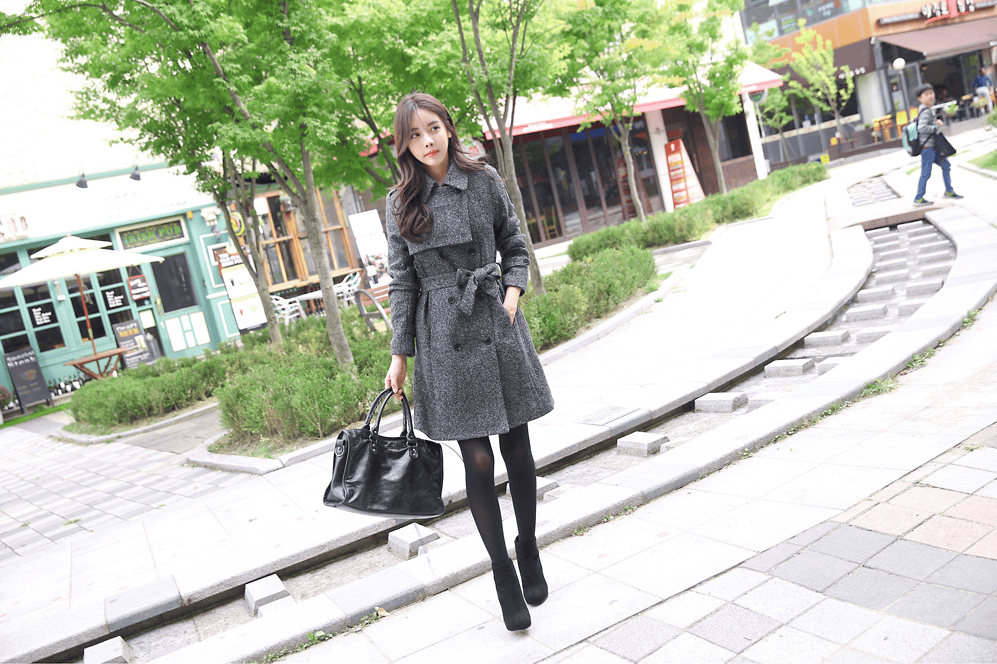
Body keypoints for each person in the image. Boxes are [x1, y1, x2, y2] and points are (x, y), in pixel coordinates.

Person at [383, 92, 555, 631]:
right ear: (405, 145)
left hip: (495, 319)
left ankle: (528, 545)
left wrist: (512, 294)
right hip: (443, 334)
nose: (427, 142)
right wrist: (399, 355)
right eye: (415, 135)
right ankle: (502, 571)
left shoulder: (483, 179)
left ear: (449, 128)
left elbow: (515, 244)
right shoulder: (400, 202)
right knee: (477, 460)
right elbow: (402, 282)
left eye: (433, 128)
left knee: (517, 446)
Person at [913, 83, 963, 206]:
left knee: (946, 165)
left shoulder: (927, 109)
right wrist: (936, 125)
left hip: (932, 147)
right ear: (920, 98)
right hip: (928, 148)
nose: (930, 96)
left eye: (931, 93)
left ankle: (949, 191)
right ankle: (918, 198)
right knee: (926, 173)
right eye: (926, 94)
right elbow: (922, 128)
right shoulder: (925, 111)